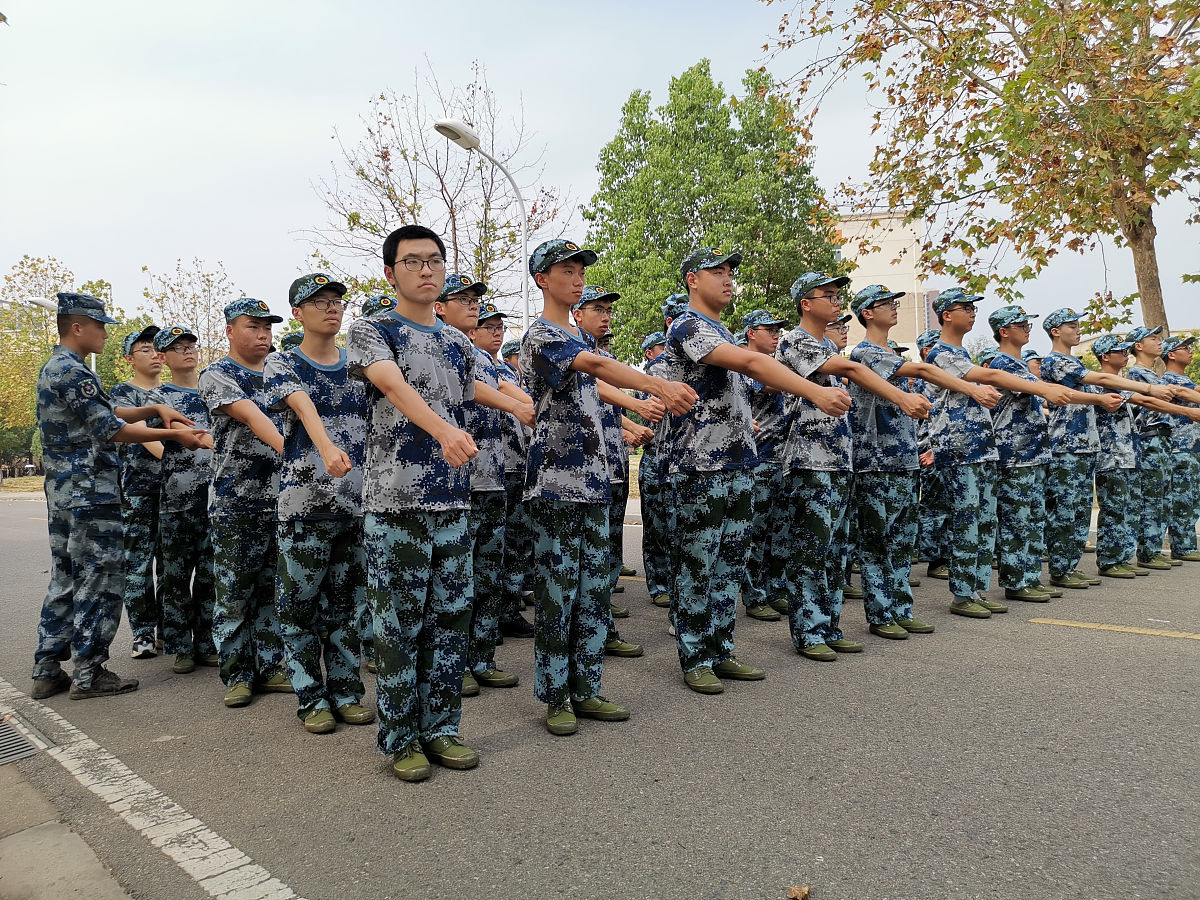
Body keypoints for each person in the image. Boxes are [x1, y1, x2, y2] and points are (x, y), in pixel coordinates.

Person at [520, 239, 695, 732]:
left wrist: (634, 403)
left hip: (594, 479)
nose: (576, 278)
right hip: (555, 481)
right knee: (558, 592)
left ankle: (587, 687)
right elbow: (593, 368)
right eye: (566, 271)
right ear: (541, 280)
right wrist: (655, 386)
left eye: (580, 271)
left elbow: (594, 382)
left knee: (593, 587)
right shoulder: (543, 336)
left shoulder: (575, 338)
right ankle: (557, 696)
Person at [30, 293, 205, 700]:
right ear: (78, 327)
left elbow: (107, 412)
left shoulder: (57, 368)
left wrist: (154, 409)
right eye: (100, 325)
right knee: (99, 580)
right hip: (91, 493)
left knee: (66, 576)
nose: (105, 332)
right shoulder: (74, 372)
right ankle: (90, 673)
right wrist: (174, 433)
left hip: (64, 492)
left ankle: (47, 667)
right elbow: (110, 430)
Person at [774, 275, 929, 662]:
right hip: (810, 459)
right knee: (811, 550)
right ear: (806, 304)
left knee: (836, 552)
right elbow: (859, 373)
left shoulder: (826, 343)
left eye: (836, 294)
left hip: (840, 460)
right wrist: (902, 398)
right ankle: (809, 631)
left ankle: (828, 625)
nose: (834, 300)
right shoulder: (795, 340)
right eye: (827, 295)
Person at [848, 285, 998, 634]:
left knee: (901, 539)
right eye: (886, 304)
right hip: (876, 460)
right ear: (868, 313)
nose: (895, 308)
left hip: (904, 457)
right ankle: (882, 614)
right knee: (878, 541)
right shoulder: (867, 353)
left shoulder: (890, 352)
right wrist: (972, 388)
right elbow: (924, 373)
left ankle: (900, 608)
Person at [264, 273, 374, 735]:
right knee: (299, 607)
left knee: (347, 606)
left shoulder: (360, 365)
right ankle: (311, 697)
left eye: (336, 301)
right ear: (297, 313)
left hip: (356, 504)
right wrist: (327, 446)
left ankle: (347, 692)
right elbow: (302, 404)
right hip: (305, 506)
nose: (332, 308)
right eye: (319, 302)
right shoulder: (282, 364)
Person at [924, 289, 1078, 618]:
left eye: (972, 308)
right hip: (960, 447)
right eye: (964, 308)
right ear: (946, 315)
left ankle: (976, 588)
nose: (971, 312)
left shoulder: (960, 353)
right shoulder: (940, 353)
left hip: (981, 448)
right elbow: (991, 376)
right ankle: (964, 593)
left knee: (984, 521)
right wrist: (1044, 388)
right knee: (967, 522)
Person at [198, 297, 290, 708]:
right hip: (237, 500)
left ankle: (270, 667)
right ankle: (237, 672)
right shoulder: (218, 374)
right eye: (253, 326)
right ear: (230, 331)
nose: (263, 334)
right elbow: (252, 416)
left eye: (267, 327)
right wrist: (304, 452)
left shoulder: (278, 372)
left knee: (273, 589)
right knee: (234, 592)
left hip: (282, 499)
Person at [438, 283, 526, 693]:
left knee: (488, 574)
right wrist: (515, 403)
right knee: (457, 581)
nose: (474, 308)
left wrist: (524, 404)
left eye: (477, 302)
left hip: (492, 479)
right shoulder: (444, 352)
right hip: (459, 484)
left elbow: (506, 391)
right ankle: (454, 667)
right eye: (466, 302)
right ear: (441, 308)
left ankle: (482, 658)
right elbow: (485, 395)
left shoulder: (484, 361)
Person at [570, 288, 656, 659]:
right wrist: (642, 398)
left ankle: (601, 624)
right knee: (580, 560)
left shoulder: (602, 355)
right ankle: (591, 630)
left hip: (607, 460)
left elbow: (604, 404)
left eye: (608, 310)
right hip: (575, 470)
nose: (606, 315)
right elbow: (594, 386)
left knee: (601, 551)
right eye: (597, 309)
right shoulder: (569, 349)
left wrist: (628, 427)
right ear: (577, 313)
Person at [153, 326, 218, 674]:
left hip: (214, 498)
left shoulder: (213, 389)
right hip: (177, 499)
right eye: (177, 348)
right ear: (163, 358)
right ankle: (180, 647)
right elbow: (148, 439)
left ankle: (207, 642)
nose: (187, 352)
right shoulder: (159, 398)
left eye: (190, 345)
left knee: (210, 575)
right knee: (177, 577)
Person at [110, 325, 166, 659]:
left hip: (176, 492)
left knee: (172, 564)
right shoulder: (123, 393)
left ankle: (168, 631)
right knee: (139, 563)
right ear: (130, 358)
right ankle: (142, 632)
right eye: (145, 349)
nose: (155, 354)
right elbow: (144, 435)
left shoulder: (174, 391)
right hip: (139, 491)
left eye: (158, 348)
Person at [739, 309, 791, 621]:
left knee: (778, 530)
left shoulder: (774, 364)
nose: (775, 335)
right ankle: (754, 595)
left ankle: (775, 589)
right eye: (768, 329)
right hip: (756, 459)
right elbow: (771, 384)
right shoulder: (746, 365)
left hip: (779, 457)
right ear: (751, 333)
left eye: (778, 330)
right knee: (755, 533)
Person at [496, 336, 535, 639]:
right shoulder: (480, 365)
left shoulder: (506, 372)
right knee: (498, 546)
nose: (496, 332)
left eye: (499, 327)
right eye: (489, 327)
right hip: (495, 469)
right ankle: (496, 613)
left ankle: (507, 609)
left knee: (516, 543)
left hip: (516, 465)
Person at [1160, 336, 1200, 561]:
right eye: (1185, 348)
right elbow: (1186, 393)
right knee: (1182, 498)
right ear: (1171, 354)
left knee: (1192, 497)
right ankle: (1183, 546)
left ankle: (1186, 544)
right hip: (1179, 448)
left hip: (1192, 447)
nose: (1191, 351)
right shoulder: (1169, 380)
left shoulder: (1186, 381)